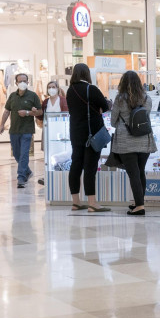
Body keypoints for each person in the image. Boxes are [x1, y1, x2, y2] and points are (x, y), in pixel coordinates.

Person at [66, 63, 111, 212]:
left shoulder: (70, 90)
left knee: (76, 165)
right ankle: (92, 203)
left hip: (75, 133)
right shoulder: (90, 89)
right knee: (90, 167)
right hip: (92, 134)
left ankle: (75, 202)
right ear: (87, 74)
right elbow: (105, 106)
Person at [111, 71, 157, 216]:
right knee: (140, 172)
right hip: (144, 139)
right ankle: (139, 202)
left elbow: (113, 121)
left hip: (126, 141)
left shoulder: (119, 99)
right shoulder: (147, 98)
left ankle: (139, 206)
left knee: (133, 174)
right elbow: (146, 117)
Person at [0, 73, 42, 188]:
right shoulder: (12, 96)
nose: (22, 82)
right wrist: (2, 124)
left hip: (27, 130)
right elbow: (7, 111)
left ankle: (21, 177)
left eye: (24, 81)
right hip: (14, 130)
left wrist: (28, 112)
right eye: (20, 81)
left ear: (28, 82)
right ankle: (27, 171)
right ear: (16, 83)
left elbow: (40, 112)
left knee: (24, 154)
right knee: (17, 154)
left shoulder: (33, 96)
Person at [36, 81, 69, 186]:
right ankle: (47, 174)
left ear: (57, 88)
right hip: (47, 129)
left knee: (59, 151)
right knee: (47, 153)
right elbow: (41, 116)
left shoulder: (63, 100)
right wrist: (36, 113)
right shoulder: (46, 102)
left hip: (60, 129)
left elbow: (67, 115)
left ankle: (60, 173)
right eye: (49, 87)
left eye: (53, 87)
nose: (51, 89)